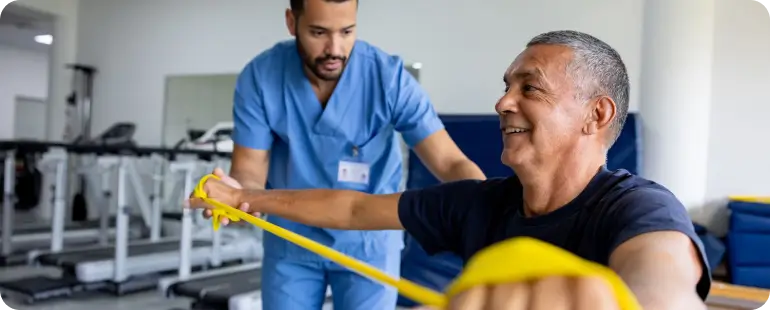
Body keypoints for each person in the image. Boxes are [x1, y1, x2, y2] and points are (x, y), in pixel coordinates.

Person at [192, 30, 711, 309]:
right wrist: (243, 198)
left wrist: (628, 300)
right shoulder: (481, 202)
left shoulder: (638, 205)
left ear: (596, 115)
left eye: (528, 88)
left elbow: (661, 279)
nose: (502, 102)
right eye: (506, 86)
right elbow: (351, 206)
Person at [222, 0, 486, 309]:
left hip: (369, 242)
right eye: (318, 32)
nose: (335, 48)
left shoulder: (388, 78)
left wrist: (487, 214)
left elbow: (449, 162)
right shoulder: (262, 77)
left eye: (347, 31)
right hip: (292, 241)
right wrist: (234, 198)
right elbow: (249, 171)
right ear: (292, 22)